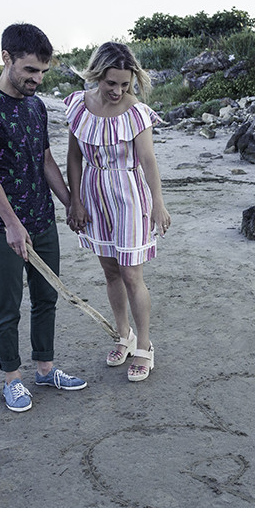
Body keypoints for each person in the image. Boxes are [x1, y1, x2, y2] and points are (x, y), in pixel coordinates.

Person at [0, 23, 87, 412]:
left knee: (47, 296)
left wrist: (69, 201)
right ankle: (12, 379)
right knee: (7, 303)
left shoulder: (35, 106)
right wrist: (12, 225)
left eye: (43, 72)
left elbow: (44, 158)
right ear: (6, 59)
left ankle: (46, 368)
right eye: (31, 70)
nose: (37, 79)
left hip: (41, 217)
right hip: (4, 225)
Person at [64, 42, 170, 382]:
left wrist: (159, 204)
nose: (118, 90)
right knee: (110, 272)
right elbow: (74, 158)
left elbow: (149, 161)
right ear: (97, 75)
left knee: (131, 275)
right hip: (94, 194)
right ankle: (122, 336)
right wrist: (75, 201)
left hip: (129, 195)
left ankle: (144, 346)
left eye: (125, 84)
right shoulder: (79, 106)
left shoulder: (136, 112)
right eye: (111, 83)